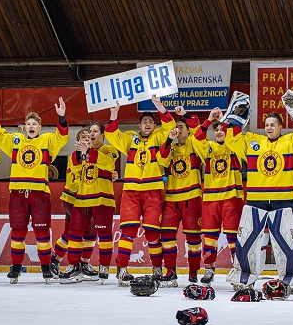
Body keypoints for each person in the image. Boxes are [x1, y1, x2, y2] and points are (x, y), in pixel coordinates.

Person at [224, 109, 293, 290]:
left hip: (284, 199)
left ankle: (292, 280)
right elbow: (232, 140)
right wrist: (235, 120)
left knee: (287, 243)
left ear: (280, 127)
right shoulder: (254, 141)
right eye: (266, 124)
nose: (269, 127)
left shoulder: (292, 142)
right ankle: (243, 278)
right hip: (255, 199)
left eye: (273, 124)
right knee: (246, 241)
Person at [0, 96, 68, 284]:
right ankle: (15, 267)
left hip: (39, 193)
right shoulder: (16, 141)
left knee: (42, 233)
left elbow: (61, 137)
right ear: (24, 127)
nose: (31, 126)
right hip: (18, 193)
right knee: (17, 232)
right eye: (28, 123)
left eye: (35, 124)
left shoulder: (47, 141)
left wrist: (62, 118)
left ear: (40, 127)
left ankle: (46, 267)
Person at [104, 96, 175, 286]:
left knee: (153, 233)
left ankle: (157, 270)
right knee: (128, 231)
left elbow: (170, 127)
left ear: (154, 125)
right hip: (132, 191)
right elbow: (112, 135)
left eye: (151, 121)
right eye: (144, 121)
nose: (147, 124)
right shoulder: (130, 139)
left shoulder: (159, 136)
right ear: (139, 124)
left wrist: (159, 106)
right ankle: (122, 270)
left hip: (153, 191)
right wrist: (114, 114)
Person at [58, 122, 119, 283]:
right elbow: (76, 172)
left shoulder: (110, 150)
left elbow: (107, 163)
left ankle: (104, 267)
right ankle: (74, 267)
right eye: (89, 131)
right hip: (82, 199)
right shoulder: (83, 153)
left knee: (104, 236)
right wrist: (80, 154)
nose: (90, 134)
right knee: (75, 234)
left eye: (94, 131)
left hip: (102, 199)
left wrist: (88, 152)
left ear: (102, 135)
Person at [190, 107, 244, 285]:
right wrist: (208, 120)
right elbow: (197, 137)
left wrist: (226, 120)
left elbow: (236, 132)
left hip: (231, 197)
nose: (220, 131)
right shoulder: (209, 148)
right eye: (217, 129)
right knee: (210, 238)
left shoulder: (235, 145)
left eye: (223, 129)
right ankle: (209, 269)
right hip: (210, 199)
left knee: (233, 238)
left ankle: (238, 270)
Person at [156, 108, 203, 287]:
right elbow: (161, 160)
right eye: (176, 126)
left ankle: (193, 273)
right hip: (171, 197)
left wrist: (186, 115)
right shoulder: (170, 145)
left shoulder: (194, 142)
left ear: (188, 130)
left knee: (193, 239)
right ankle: (171, 272)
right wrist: (169, 138)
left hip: (192, 196)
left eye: (181, 126)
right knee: (166, 236)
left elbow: (200, 132)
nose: (178, 129)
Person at [52, 128, 99, 282]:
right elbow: (79, 179)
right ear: (78, 142)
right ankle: (77, 264)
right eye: (82, 138)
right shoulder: (76, 156)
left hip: (87, 200)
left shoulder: (96, 155)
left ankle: (57, 259)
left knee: (74, 233)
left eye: (88, 137)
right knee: (80, 232)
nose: (86, 139)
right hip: (74, 200)